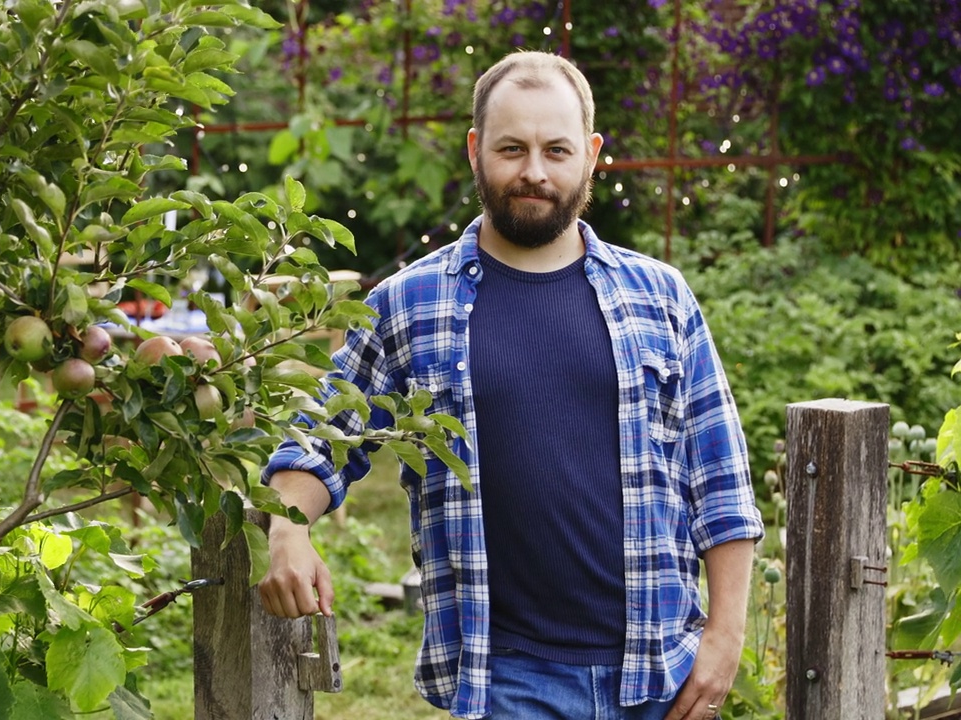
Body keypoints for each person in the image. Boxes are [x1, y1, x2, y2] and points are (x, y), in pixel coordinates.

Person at [257, 50, 764, 720]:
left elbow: (720, 481)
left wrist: (724, 639)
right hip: (506, 682)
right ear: (475, 151)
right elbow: (324, 438)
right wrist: (287, 530)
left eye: (557, 150)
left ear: (590, 153)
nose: (534, 171)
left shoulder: (662, 298)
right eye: (511, 148)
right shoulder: (409, 303)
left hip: (659, 677)